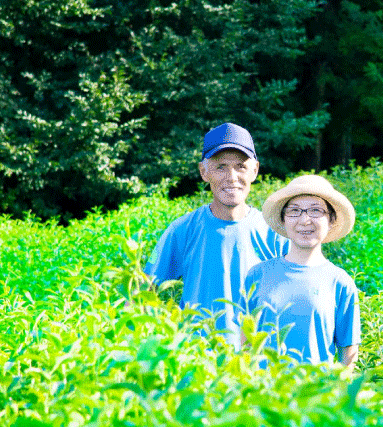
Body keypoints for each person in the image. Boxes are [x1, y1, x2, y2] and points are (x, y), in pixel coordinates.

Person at [144, 122, 288, 345]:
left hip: (257, 367)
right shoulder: (183, 230)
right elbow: (142, 293)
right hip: (198, 363)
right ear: (204, 172)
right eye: (220, 166)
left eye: (240, 166)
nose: (231, 176)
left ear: (255, 170)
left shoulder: (275, 232)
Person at [240, 174, 360, 368]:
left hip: (316, 395)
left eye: (316, 210)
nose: (305, 220)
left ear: (330, 219)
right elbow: (244, 344)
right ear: (284, 220)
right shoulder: (257, 275)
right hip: (262, 394)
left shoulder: (340, 282)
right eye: (294, 211)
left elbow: (348, 356)